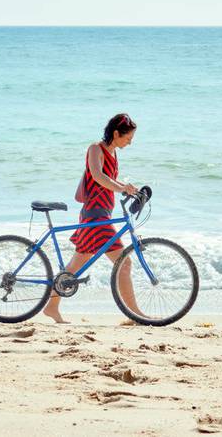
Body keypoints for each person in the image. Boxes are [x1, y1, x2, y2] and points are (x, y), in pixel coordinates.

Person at [43, 113, 141, 324]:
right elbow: (97, 176)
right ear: (116, 133)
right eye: (127, 138)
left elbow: (108, 181)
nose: (130, 142)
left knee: (74, 267)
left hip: (101, 214)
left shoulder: (114, 154)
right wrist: (122, 187)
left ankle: (51, 307)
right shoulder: (96, 149)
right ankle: (136, 315)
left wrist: (127, 188)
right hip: (95, 217)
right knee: (124, 264)